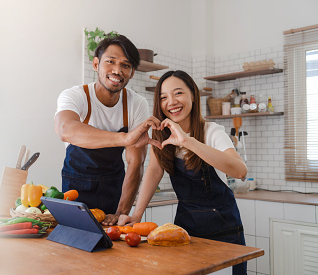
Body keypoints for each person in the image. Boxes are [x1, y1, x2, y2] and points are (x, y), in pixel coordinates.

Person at [118, 70, 248, 275]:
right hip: (184, 229)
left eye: (178, 93)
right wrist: (137, 214)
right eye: (163, 97)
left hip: (223, 231)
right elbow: (154, 169)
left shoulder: (211, 132)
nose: (171, 102)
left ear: (193, 96)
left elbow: (240, 170)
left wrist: (188, 141)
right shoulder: (162, 134)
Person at [54, 33, 161, 225]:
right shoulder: (76, 96)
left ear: (132, 72)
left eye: (125, 65)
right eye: (110, 62)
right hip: (74, 189)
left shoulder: (137, 104)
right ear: (96, 64)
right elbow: (65, 129)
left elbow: (136, 162)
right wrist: (124, 138)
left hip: (114, 193)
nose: (117, 70)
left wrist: (122, 212)